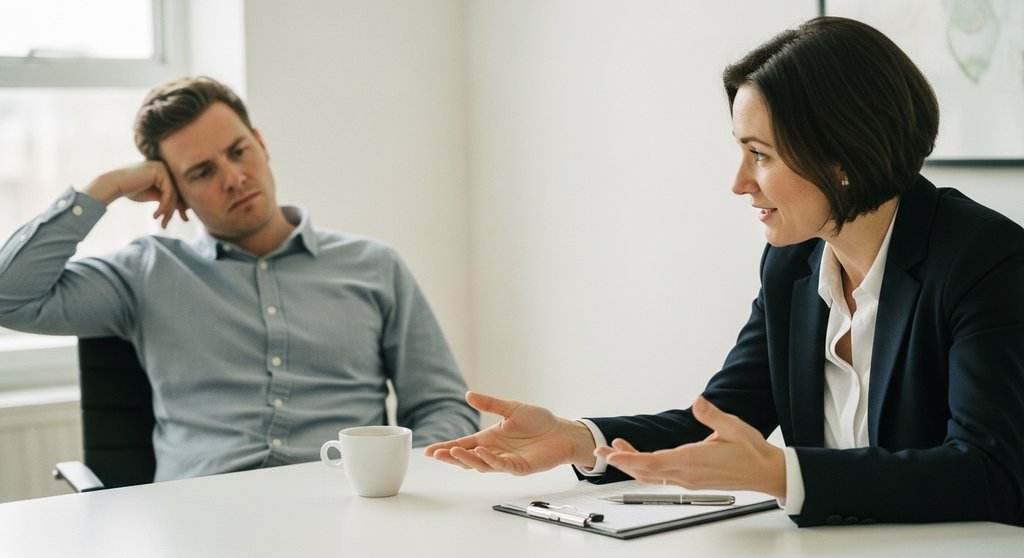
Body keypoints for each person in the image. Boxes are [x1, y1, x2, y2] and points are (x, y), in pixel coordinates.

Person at [424, 16, 1024, 527]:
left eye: (759, 154)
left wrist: (784, 473)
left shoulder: (984, 260)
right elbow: (719, 421)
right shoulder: (793, 264)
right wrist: (579, 439)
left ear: (842, 160)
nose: (738, 182)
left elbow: (989, 472)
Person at [0, 76, 479, 481]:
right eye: (203, 171)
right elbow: (9, 297)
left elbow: (445, 408)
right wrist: (105, 188)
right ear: (174, 191)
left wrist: (397, 482)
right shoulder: (145, 273)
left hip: (345, 512)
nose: (233, 178)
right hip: (201, 525)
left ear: (262, 144)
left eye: (238, 151)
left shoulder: (374, 266)